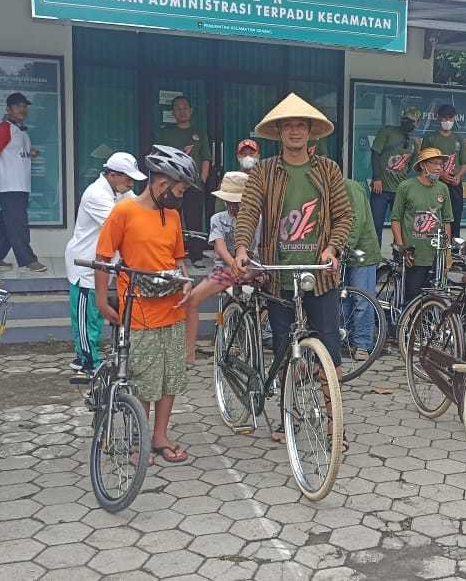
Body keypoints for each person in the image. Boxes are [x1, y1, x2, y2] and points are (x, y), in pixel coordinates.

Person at [232, 93, 353, 399]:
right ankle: (287, 415)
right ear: (280, 132)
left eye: (301, 126)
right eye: (289, 126)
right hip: (279, 274)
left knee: (330, 352)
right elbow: (248, 211)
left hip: (319, 274)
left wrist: (332, 248)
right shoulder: (264, 171)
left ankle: (332, 422)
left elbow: (343, 215)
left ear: (310, 131)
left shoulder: (328, 170)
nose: (295, 131)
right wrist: (242, 248)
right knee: (286, 352)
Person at [94, 145, 199, 464]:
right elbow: (102, 259)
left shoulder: (173, 215)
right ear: (160, 183)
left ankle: (160, 437)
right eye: (178, 189)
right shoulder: (124, 212)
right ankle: (139, 437)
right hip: (139, 312)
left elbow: (178, 258)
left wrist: (186, 281)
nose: (179, 196)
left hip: (173, 309)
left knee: (170, 378)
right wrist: (101, 299)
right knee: (144, 379)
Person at [63, 152, 147, 374]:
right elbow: (122, 226)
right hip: (85, 262)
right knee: (86, 314)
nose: (131, 184)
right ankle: (87, 362)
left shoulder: (123, 191)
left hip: (104, 262)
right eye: (127, 178)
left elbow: (139, 210)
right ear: (112, 175)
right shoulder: (96, 194)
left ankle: (87, 356)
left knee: (96, 315)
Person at [181, 171, 260, 365]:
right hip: (225, 270)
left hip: (255, 267)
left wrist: (249, 268)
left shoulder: (259, 218)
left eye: (238, 202)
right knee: (191, 300)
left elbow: (259, 248)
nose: (234, 206)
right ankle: (188, 354)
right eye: (230, 202)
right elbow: (219, 245)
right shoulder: (218, 219)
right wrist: (233, 264)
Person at [0, 92, 47, 273]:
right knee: (18, 225)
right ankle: (28, 260)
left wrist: (30, 153)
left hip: (20, 185)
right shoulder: (4, 128)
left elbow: (13, 155)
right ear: (8, 109)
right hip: (11, 186)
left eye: (24, 106)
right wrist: (0, 173)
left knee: (6, 224)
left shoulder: (20, 131)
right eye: (18, 106)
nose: (23, 109)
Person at [391, 148, 454, 303]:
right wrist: (401, 248)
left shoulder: (443, 188)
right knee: (411, 300)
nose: (440, 168)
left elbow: (446, 221)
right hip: (413, 255)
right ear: (424, 165)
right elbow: (395, 219)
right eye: (435, 164)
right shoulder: (406, 186)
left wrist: (446, 253)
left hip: (434, 255)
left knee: (433, 300)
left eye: (441, 164)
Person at [157, 96, 210, 263]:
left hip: (193, 184)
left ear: (191, 110)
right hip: (172, 185)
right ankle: (171, 253)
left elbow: (206, 158)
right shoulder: (165, 133)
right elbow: (160, 157)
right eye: (178, 108)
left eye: (185, 107)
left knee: (194, 219)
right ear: (173, 112)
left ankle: (196, 255)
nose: (182, 111)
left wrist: (201, 180)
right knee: (171, 219)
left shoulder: (199, 133)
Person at [344, 178, 384, 362]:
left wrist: (343, 247)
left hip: (363, 253)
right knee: (342, 299)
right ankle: (347, 341)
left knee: (362, 301)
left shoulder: (350, 188)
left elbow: (357, 220)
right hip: (340, 253)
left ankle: (362, 344)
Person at [370, 106, 421, 243]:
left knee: (402, 227)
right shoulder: (387, 131)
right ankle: (374, 261)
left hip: (400, 191)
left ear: (417, 123)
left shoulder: (414, 143)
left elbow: (411, 166)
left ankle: (399, 259)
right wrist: (376, 177)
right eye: (405, 119)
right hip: (380, 189)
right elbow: (375, 153)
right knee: (375, 226)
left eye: (411, 121)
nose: (407, 123)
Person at [421, 104, 466, 238]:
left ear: (454, 118)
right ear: (438, 118)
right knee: (434, 214)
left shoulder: (459, 138)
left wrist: (458, 176)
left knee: (455, 215)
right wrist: (441, 174)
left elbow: (464, 162)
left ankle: (454, 248)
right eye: (444, 118)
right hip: (435, 182)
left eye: (450, 118)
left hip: (455, 183)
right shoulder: (430, 138)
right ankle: (433, 244)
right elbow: (423, 161)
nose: (447, 121)